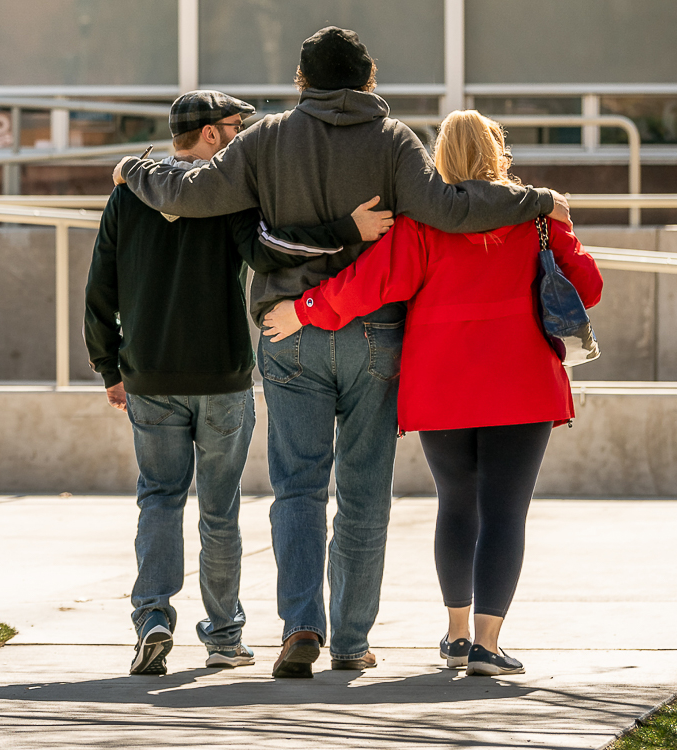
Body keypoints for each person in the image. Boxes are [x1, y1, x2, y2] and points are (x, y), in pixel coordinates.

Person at [112, 27, 571, 678]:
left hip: (287, 330)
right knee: (363, 495)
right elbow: (445, 208)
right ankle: (352, 642)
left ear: (303, 81)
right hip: (375, 335)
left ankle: (302, 623)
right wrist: (534, 200)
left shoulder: (267, 138)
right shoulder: (393, 141)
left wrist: (137, 167)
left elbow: (188, 196)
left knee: (298, 490)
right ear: (370, 78)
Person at [263, 110, 603, 677]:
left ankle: (456, 636)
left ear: (438, 157)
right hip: (520, 385)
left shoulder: (424, 224)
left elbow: (372, 283)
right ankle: (489, 648)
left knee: (457, 504)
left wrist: (304, 311)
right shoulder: (537, 219)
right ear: (499, 153)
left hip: (441, 387)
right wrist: (565, 229)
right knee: (504, 513)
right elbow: (586, 289)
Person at [84, 90, 391, 676]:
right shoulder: (229, 197)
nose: (244, 136)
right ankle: (224, 636)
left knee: (159, 497)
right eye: (235, 127)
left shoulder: (127, 196)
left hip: (148, 375)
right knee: (219, 510)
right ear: (209, 136)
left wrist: (108, 368)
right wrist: (346, 230)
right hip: (222, 376)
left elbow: (100, 289)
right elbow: (273, 253)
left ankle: (152, 617)